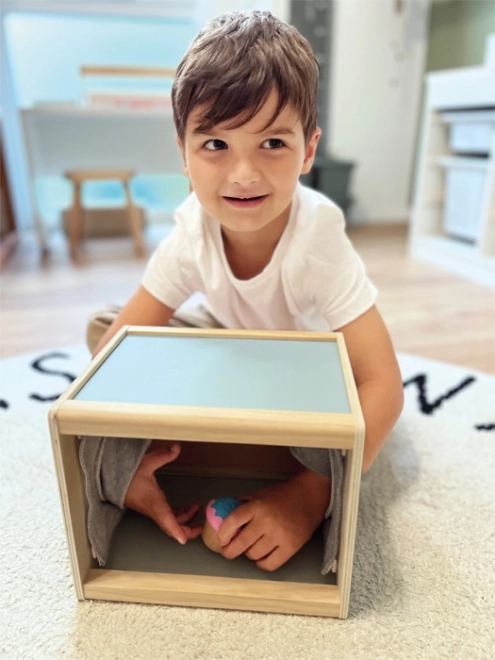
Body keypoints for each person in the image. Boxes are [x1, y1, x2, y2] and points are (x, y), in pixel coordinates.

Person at [80, 10, 403, 574]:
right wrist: (125, 464)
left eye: (273, 142)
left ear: (308, 151)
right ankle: (202, 438)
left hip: (304, 367)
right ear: (183, 153)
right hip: (234, 345)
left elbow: (385, 385)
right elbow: (117, 347)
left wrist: (311, 496)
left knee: (357, 397)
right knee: (102, 329)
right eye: (216, 144)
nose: (244, 174)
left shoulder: (318, 238)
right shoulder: (191, 230)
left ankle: (281, 456)